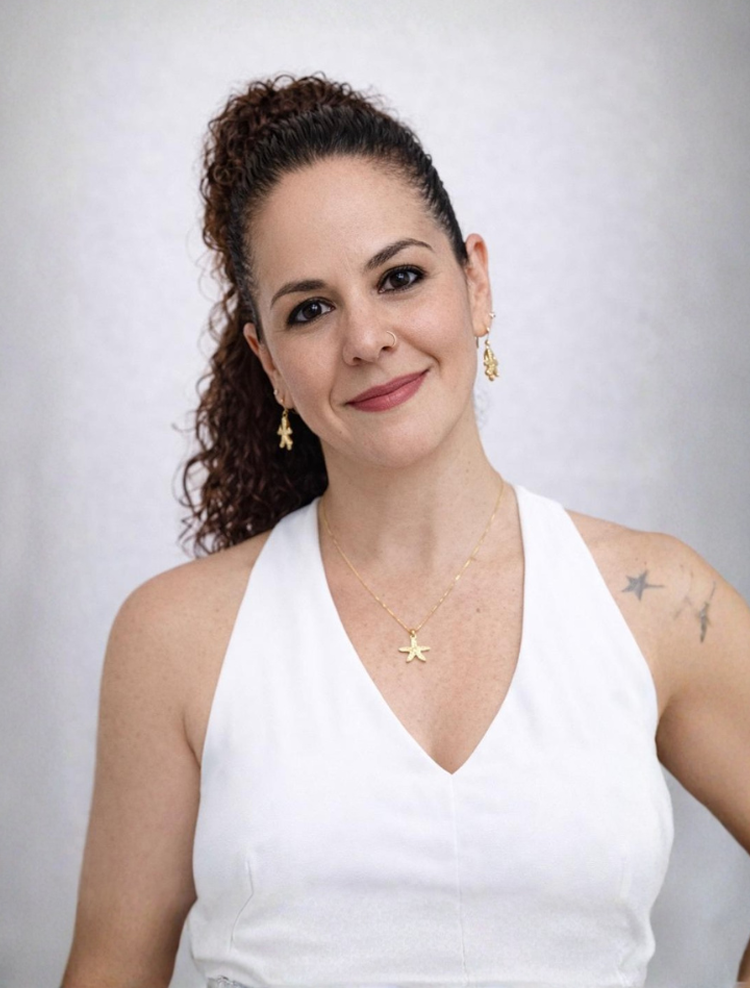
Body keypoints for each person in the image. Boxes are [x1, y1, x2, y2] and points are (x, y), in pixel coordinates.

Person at [62, 73, 750, 988]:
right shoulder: (174, 638)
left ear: (476, 282)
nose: (366, 338)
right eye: (310, 309)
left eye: (399, 278)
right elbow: (111, 969)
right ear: (269, 363)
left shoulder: (657, 601)